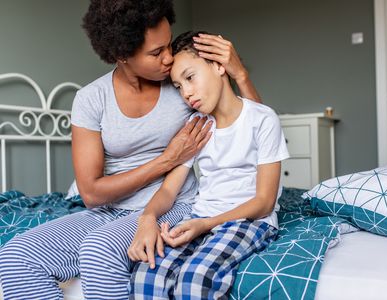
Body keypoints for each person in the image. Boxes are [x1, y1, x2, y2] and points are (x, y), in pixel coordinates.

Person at [0, 1, 261, 300]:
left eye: (168, 46)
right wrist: (167, 159)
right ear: (121, 54)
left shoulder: (181, 87)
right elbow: (92, 193)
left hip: (173, 203)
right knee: (15, 256)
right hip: (106, 209)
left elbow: (253, 128)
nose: (168, 58)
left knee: (99, 251)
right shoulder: (91, 99)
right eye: (155, 52)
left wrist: (240, 75)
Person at [128, 31, 290, 300]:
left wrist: (206, 224)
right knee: (146, 275)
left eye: (190, 78)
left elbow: (264, 202)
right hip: (200, 217)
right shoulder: (197, 127)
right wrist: (148, 219)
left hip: (249, 221)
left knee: (194, 279)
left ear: (219, 66)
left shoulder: (262, 119)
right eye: (179, 87)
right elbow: (169, 190)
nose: (186, 93)